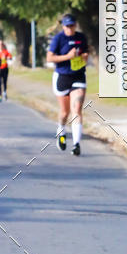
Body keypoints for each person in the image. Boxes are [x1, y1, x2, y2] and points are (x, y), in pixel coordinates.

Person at [46, 14, 89, 156]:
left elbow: (86, 52)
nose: (70, 28)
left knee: (77, 109)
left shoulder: (81, 37)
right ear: (63, 26)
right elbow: (50, 57)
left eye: (72, 25)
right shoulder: (58, 38)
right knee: (65, 112)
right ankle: (61, 130)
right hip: (62, 77)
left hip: (78, 76)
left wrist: (84, 56)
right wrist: (67, 57)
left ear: (76, 25)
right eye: (67, 26)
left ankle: (76, 144)